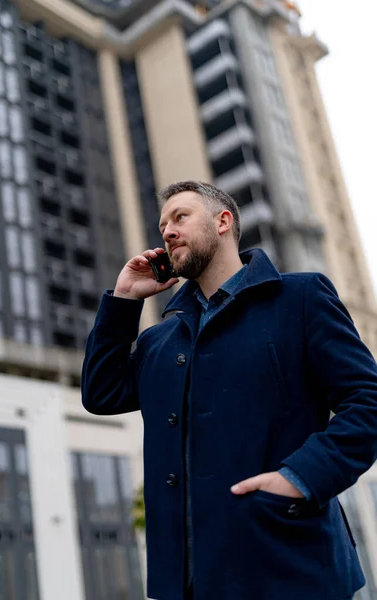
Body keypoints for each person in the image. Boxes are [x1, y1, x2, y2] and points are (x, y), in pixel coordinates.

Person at [81, 180, 377, 600]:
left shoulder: (300, 298)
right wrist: (125, 299)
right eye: (162, 224)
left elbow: (368, 402)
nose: (166, 231)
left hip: (289, 567)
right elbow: (101, 393)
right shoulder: (158, 341)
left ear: (223, 221)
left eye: (180, 217)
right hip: (188, 585)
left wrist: (299, 479)